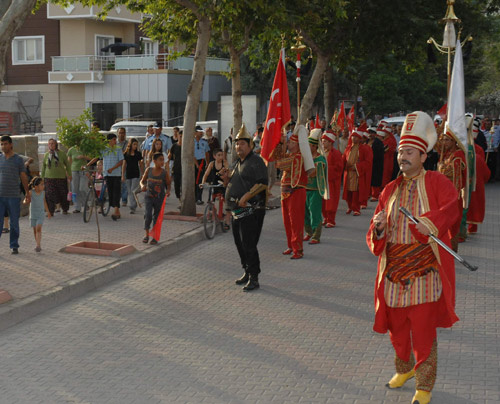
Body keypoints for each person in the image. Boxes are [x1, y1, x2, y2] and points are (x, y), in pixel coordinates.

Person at [367, 112, 459, 404]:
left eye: (408, 152)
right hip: (393, 274)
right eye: (400, 152)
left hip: (424, 274)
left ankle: (424, 385)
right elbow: (376, 227)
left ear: (422, 154)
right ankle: (404, 370)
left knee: (423, 333)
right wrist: (378, 227)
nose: (401, 157)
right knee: (398, 331)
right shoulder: (390, 190)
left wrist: (429, 223)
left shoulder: (436, 181)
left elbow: (452, 207)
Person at [221, 124, 268, 291]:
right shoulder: (235, 163)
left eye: (242, 143)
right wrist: (226, 179)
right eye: (236, 143)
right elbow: (233, 183)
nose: (238, 146)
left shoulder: (257, 161)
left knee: (249, 243)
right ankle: (246, 271)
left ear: (250, 145)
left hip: (251, 209)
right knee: (239, 242)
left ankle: (254, 277)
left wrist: (246, 197)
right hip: (236, 210)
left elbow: (262, 183)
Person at [271, 126, 311, 259]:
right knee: (287, 221)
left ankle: (298, 249)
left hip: (296, 192)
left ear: (298, 145)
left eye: (291, 142)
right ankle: (290, 245)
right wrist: (279, 142)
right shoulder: (290, 155)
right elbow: (275, 157)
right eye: (288, 142)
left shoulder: (299, 157)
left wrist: (281, 151)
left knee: (296, 222)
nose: (288, 144)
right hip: (285, 192)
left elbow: (280, 164)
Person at [0, 135, 31, 254]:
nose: (3, 146)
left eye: (5, 144)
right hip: (0, 195)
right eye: (1, 144)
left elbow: (23, 176)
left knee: (14, 222)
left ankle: (14, 245)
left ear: (11, 144)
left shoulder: (18, 159)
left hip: (13, 196)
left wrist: (27, 192)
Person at [437, 130, 466, 251]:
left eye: (447, 140)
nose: (444, 142)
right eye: (443, 140)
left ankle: (451, 248)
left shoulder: (458, 154)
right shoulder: (447, 153)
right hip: (443, 192)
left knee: (453, 221)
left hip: (454, 193)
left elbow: (458, 176)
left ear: (454, 141)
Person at [87, 133, 124, 221]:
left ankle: (116, 210)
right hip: (107, 174)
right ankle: (115, 209)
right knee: (110, 192)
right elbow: (96, 158)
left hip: (116, 174)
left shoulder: (118, 149)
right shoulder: (104, 149)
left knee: (116, 192)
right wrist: (87, 165)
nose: (115, 141)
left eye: (115, 139)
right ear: (109, 140)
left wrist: (113, 168)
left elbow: (121, 161)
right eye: (114, 139)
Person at [140, 152, 171, 245]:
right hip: (148, 197)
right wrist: (142, 186)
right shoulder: (148, 170)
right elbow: (142, 181)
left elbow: (168, 184)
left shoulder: (164, 173)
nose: (162, 162)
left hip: (159, 198)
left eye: (163, 160)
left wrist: (168, 191)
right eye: (160, 160)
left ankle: (155, 237)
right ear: (154, 161)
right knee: (148, 215)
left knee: (157, 217)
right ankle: (146, 235)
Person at [467, 118, 490, 234]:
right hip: (475, 182)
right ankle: (471, 228)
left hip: (469, 182)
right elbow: (486, 173)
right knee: (474, 204)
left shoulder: (459, 151)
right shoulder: (478, 151)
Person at [304, 129, 328, 244]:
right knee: (305, 213)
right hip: (304, 189)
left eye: (309, 145)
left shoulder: (320, 159)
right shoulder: (305, 158)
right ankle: (308, 232)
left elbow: (312, 173)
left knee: (315, 212)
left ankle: (316, 235)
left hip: (315, 190)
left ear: (314, 146)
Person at [342, 130, 371, 216]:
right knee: (348, 191)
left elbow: (368, 162)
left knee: (355, 191)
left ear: (360, 138)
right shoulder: (348, 148)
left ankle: (356, 208)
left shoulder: (364, 148)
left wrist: (357, 166)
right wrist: (342, 163)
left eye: (356, 137)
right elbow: (343, 159)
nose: (353, 138)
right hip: (348, 172)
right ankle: (350, 206)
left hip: (357, 173)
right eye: (352, 136)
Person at [41, 138, 71, 215]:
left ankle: (65, 209)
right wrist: (42, 178)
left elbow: (67, 165)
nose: (51, 145)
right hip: (49, 177)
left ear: (56, 145)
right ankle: (50, 211)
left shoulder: (62, 154)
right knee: (49, 194)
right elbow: (44, 167)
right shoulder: (46, 155)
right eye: (49, 144)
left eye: (52, 143)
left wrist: (69, 175)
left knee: (63, 193)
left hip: (60, 177)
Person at [321, 130, 343, 227]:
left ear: (330, 142)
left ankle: (331, 220)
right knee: (323, 202)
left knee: (331, 202)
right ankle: (325, 218)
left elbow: (339, 168)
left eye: (325, 141)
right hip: (323, 181)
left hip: (332, 182)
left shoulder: (336, 154)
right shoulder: (322, 153)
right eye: (322, 141)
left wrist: (326, 169)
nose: (323, 142)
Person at [25, 177, 51, 252]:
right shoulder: (31, 192)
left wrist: (48, 212)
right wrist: (25, 201)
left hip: (40, 213)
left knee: (38, 228)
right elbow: (26, 200)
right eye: (41, 185)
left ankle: (38, 245)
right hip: (33, 214)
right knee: (35, 230)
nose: (43, 186)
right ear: (36, 186)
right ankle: (37, 243)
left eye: (43, 184)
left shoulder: (43, 193)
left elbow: (44, 202)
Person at [122, 138, 144, 214]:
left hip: (136, 174)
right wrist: (122, 175)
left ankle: (132, 207)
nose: (135, 146)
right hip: (128, 174)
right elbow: (124, 165)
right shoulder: (126, 154)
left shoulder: (138, 154)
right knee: (129, 191)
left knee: (133, 190)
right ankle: (132, 205)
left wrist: (142, 174)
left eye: (136, 145)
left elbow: (141, 164)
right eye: (134, 144)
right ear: (130, 145)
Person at [67, 145, 90, 213]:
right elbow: (69, 162)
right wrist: (68, 172)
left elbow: (91, 158)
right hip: (74, 170)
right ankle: (77, 207)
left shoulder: (85, 148)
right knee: (75, 189)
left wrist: (83, 156)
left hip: (83, 169)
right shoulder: (71, 149)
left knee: (82, 188)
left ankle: (85, 203)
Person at [368, 127, 385, 201]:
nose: (370, 134)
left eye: (372, 133)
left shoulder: (378, 142)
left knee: (375, 180)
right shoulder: (367, 141)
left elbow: (379, 154)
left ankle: (375, 195)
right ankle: (368, 194)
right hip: (368, 163)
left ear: (375, 134)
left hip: (376, 164)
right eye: (369, 133)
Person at [194, 125, 210, 204]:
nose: (201, 133)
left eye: (201, 132)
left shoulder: (204, 142)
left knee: (201, 181)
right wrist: (196, 164)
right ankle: (194, 198)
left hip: (202, 162)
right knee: (193, 181)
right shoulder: (191, 141)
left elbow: (207, 153)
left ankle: (199, 198)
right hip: (193, 163)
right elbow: (191, 154)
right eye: (199, 132)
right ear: (195, 132)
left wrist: (207, 163)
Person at [379, 122, 397, 187]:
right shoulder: (385, 139)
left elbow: (388, 150)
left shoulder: (390, 140)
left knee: (386, 174)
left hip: (388, 160)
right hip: (384, 160)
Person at [169, 130, 182, 204]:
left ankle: (182, 201)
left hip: (184, 169)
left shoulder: (187, 146)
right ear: (177, 136)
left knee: (183, 186)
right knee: (176, 184)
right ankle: (179, 197)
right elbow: (170, 155)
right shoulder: (174, 146)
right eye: (180, 136)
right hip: (176, 168)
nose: (181, 138)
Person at [116, 127, 129, 207]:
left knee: (124, 183)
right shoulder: (115, 143)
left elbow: (126, 154)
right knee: (117, 183)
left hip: (125, 165)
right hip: (116, 165)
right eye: (120, 132)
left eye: (123, 133)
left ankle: (124, 199)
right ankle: (117, 198)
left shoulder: (127, 143)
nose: (121, 134)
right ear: (117, 133)